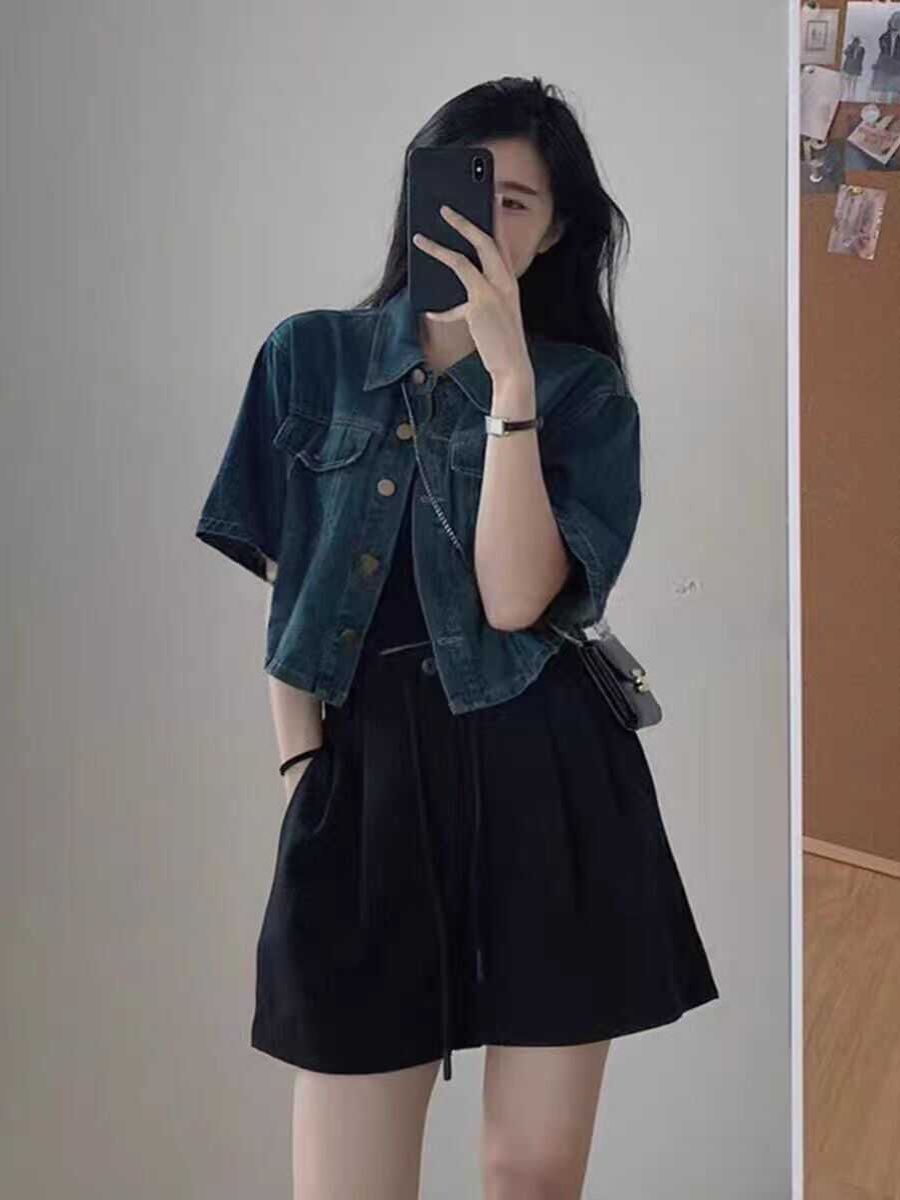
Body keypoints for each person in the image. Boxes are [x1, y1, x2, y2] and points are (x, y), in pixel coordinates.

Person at [195, 74, 719, 1200]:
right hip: (367, 783)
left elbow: (516, 600)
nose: (487, 220)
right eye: (467, 189)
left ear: (556, 231)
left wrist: (509, 377)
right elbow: (289, 591)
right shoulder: (308, 357)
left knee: (528, 1177)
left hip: (547, 775)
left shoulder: (582, 393)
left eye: (516, 202)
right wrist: (301, 769)